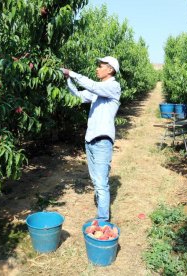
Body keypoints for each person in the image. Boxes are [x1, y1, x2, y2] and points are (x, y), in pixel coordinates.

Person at [60, 56, 121, 222]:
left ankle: (102, 220)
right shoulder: (98, 90)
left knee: (101, 183)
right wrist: (68, 81)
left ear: (110, 69)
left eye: (100, 66)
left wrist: (71, 73)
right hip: (90, 140)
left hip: (102, 141)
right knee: (95, 180)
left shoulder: (113, 87)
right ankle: (101, 213)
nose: (97, 69)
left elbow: (92, 86)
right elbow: (78, 96)